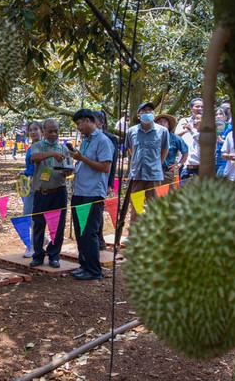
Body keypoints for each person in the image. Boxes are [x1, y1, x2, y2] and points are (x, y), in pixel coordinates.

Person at [68, 109, 114, 280]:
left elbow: (105, 167)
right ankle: (84, 265)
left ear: (87, 120)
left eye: (79, 124)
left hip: (93, 192)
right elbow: (83, 163)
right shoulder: (86, 140)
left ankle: (94, 270)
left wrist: (82, 159)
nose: (78, 128)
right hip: (80, 191)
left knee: (89, 232)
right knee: (80, 232)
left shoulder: (103, 141)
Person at [28, 118, 72, 268]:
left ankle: (54, 255)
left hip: (59, 192)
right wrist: (52, 154)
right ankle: (38, 255)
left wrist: (67, 171)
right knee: (38, 224)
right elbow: (34, 157)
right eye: (50, 131)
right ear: (44, 131)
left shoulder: (63, 148)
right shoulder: (37, 146)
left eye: (56, 131)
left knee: (58, 226)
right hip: (41, 192)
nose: (53, 134)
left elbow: (69, 167)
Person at [125, 102, 169, 224]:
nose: (147, 113)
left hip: (154, 175)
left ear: (154, 114)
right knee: (136, 208)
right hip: (137, 174)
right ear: (138, 116)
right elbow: (131, 150)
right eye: (144, 111)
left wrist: (157, 164)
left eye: (150, 111)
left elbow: (165, 150)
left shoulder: (163, 131)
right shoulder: (131, 131)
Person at [94, 111, 119, 250]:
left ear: (101, 122)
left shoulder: (109, 138)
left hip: (103, 179)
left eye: (93, 121)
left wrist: (110, 182)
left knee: (98, 211)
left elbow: (113, 163)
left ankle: (100, 239)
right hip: (90, 181)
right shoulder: (88, 137)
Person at [20, 120, 43, 257]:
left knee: (35, 217)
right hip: (29, 185)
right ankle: (43, 239)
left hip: (40, 185)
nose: (33, 132)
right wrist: (23, 173)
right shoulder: (30, 147)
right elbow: (30, 167)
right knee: (27, 214)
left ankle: (33, 246)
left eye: (36, 129)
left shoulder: (43, 147)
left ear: (42, 131)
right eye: (30, 130)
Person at [156, 114, 188, 186]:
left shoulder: (175, 138)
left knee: (168, 192)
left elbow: (185, 152)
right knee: (150, 192)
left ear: (168, 125)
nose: (162, 123)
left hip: (167, 172)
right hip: (152, 171)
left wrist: (178, 165)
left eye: (164, 122)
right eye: (159, 122)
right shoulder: (151, 137)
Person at [179, 113, 201, 181]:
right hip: (187, 170)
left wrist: (191, 130)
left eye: (197, 119)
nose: (194, 121)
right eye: (194, 119)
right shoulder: (191, 134)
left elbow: (202, 142)